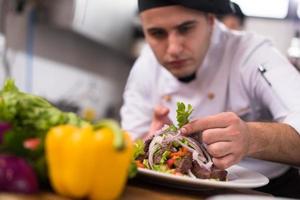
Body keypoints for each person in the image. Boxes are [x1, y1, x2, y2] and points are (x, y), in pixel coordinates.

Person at [120, 0, 300, 198]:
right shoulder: (146, 65)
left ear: (211, 20)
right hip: (170, 187)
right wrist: (151, 141)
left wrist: (252, 138)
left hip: (266, 190)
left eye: (186, 28)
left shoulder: (251, 53)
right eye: (157, 33)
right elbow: (126, 149)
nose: (173, 49)